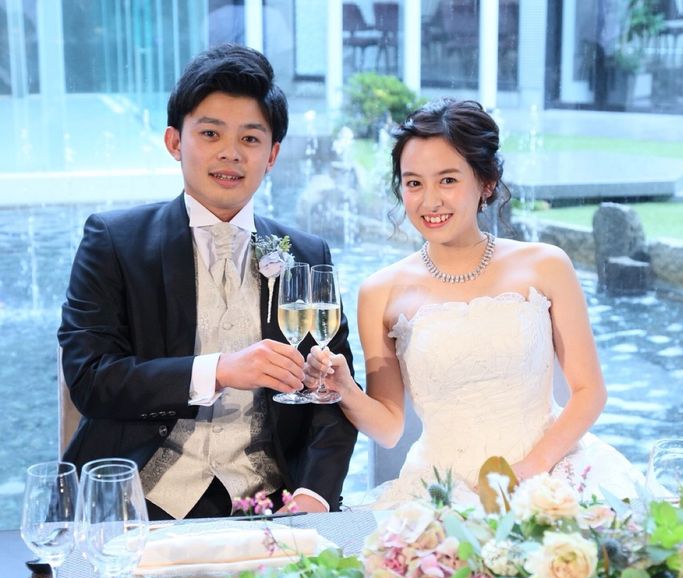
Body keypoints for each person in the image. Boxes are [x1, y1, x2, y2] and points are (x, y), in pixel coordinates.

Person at [58, 43, 357, 519]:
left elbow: (332, 393)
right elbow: (91, 379)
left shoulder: (306, 254)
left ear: (272, 155)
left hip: (271, 503)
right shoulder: (113, 241)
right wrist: (218, 370)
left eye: (250, 139)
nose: (230, 153)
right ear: (175, 142)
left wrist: (314, 495)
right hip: (140, 500)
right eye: (211, 133)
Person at [306, 98, 642, 506]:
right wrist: (345, 388)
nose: (429, 201)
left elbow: (590, 392)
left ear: (486, 183)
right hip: (441, 490)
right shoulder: (380, 291)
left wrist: (528, 471)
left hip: (549, 475)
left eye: (447, 180)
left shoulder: (547, 265)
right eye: (414, 183)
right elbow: (390, 428)